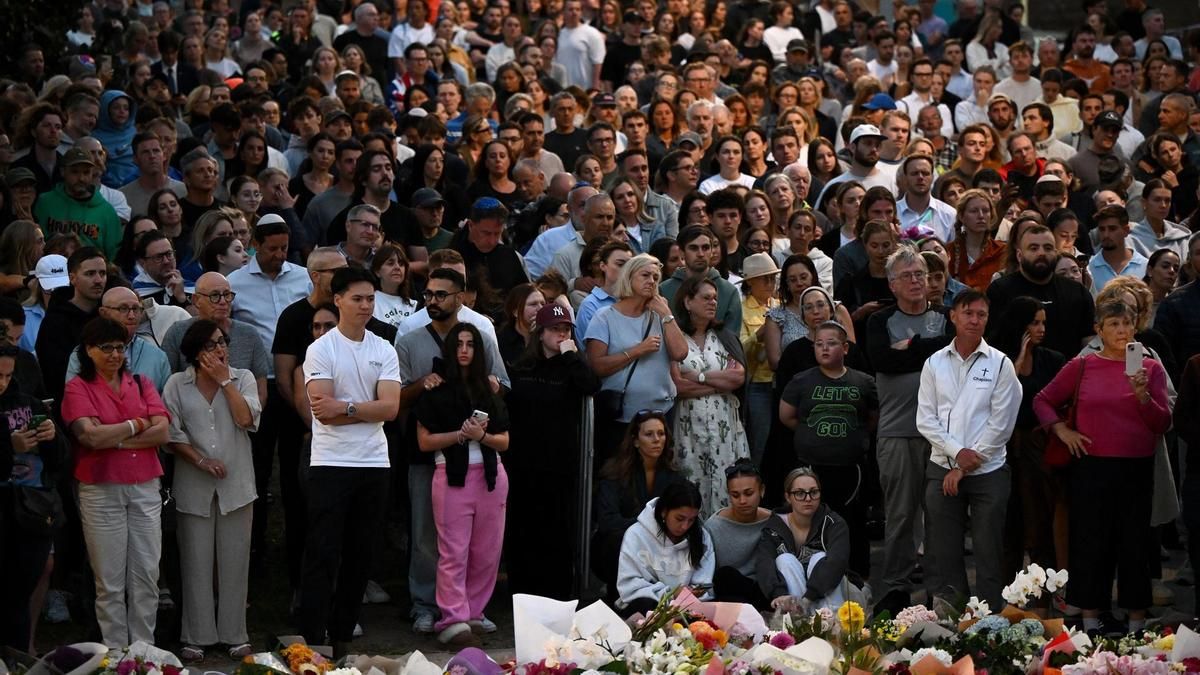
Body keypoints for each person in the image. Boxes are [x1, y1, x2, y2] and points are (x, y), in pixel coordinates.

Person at [1034, 300, 1171, 636]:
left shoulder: (1150, 368)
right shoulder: (1083, 366)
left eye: (1127, 324)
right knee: (1090, 542)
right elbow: (1042, 399)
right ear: (1098, 330)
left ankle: (1136, 621)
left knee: (1135, 544)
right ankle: (1091, 619)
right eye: (1113, 325)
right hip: (1091, 467)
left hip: (1136, 467)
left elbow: (1163, 422)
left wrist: (1142, 396)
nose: (1121, 331)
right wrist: (1062, 430)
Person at [395, 266, 511, 635]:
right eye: (428, 294)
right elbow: (396, 397)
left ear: (461, 297)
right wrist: (420, 386)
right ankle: (427, 607)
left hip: (481, 463)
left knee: (480, 544)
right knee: (429, 537)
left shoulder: (481, 337)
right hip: (428, 453)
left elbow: (502, 386)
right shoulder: (410, 338)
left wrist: (491, 388)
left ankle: (470, 609)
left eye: (440, 295)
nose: (432, 300)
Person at [299, 267, 401, 655]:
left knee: (361, 554)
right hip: (331, 463)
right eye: (357, 298)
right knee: (323, 551)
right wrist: (363, 408)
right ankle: (312, 638)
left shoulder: (383, 348)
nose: (365, 305)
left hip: (374, 463)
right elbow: (322, 411)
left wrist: (348, 406)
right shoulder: (321, 349)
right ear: (338, 299)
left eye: (370, 299)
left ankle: (342, 635)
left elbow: (390, 409)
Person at [61, 317, 171, 648]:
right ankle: (115, 653)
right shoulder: (77, 387)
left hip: (144, 485)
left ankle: (144, 652)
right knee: (109, 581)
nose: (114, 354)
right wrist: (139, 424)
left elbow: (163, 432)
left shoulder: (140, 382)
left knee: (146, 576)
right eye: (105, 348)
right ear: (88, 350)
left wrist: (118, 436)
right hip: (101, 488)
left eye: (120, 348)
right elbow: (90, 437)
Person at [916, 290, 1021, 608]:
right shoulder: (934, 362)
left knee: (989, 548)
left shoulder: (1001, 364)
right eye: (968, 313)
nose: (975, 320)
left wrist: (965, 465)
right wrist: (955, 455)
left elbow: (1001, 424)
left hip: (987, 470)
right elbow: (926, 418)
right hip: (941, 465)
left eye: (981, 314)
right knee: (943, 548)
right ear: (953, 316)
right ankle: (951, 615)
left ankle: (991, 617)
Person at [163, 319, 260, 661]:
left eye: (223, 342)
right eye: (210, 345)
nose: (219, 350)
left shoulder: (243, 378)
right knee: (195, 562)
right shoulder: (177, 384)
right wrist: (201, 461)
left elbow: (247, 420)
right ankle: (196, 635)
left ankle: (235, 634)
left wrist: (225, 382)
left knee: (235, 562)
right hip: (193, 485)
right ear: (193, 352)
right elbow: (171, 434)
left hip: (237, 487)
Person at [866, 247, 954, 615]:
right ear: (892, 284)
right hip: (897, 432)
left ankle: (941, 591)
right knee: (901, 515)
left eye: (921, 273)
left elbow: (953, 353)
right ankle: (895, 590)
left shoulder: (947, 319)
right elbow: (882, 359)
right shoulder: (879, 322)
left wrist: (914, 347)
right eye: (908, 275)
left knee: (939, 516)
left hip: (943, 436)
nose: (917, 280)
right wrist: (928, 353)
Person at [414, 322, 510, 647]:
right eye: (459, 344)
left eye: (471, 344)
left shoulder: (489, 390)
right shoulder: (436, 390)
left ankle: (474, 611)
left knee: (487, 552)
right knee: (454, 551)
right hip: (451, 476)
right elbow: (424, 441)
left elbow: (505, 440)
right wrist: (459, 436)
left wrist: (481, 436)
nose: (465, 350)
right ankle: (452, 618)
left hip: (491, 475)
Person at [505, 303, 601, 599]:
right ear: (540, 333)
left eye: (565, 329)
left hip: (560, 464)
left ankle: (557, 594)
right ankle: (522, 593)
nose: (560, 334)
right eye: (554, 329)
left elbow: (591, 385)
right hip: (522, 462)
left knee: (558, 531)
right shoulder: (523, 367)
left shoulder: (572, 367)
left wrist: (571, 356)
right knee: (523, 529)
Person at [779, 320, 878, 579]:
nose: (824, 349)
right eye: (819, 344)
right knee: (812, 521)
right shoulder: (801, 381)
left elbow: (871, 419)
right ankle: (812, 576)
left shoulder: (863, 382)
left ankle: (857, 577)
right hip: (813, 467)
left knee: (852, 523)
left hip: (851, 468)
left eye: (831, 343)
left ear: (845, 348)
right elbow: (787, 416)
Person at [986, 296, 1067, 577]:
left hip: (1039, 450)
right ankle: (1004, 594)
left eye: (1044, 322)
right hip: (1004, 449)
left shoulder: (1053, 360)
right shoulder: (996, 360)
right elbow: (991, 402)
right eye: (1034, 322)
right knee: (1009, 524)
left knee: (1040, 522)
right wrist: (1015, 366)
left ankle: (1046, 589)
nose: (1041, 328)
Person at [585, 253, 688, 462]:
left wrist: (667, 315)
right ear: (629, 277)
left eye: (656, 277)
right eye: (645, 275)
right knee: (619, 476)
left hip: (661, 416)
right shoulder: (604, 317)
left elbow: (680, 353)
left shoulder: (660, 316)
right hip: (622, 418)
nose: (651, 281)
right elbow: (597, 366)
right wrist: (637, 350)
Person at [670, 275, 750, 517]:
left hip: (725, 426)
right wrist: (719, 383)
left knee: (728, 487)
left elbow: (737, 378)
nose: (713, 302)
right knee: (692, 487)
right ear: (687, 302)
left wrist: (699, 377)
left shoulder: (724, 336)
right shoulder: (676, 339)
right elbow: (677, 386)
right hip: (689, 429)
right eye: (706, 298)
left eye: (715, 298)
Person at [0, 345, 62, 651]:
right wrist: (9, 446)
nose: (2, 382)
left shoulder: (29, 403)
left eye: (8, 375)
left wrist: (51, 438)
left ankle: (18, 660)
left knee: (19, 598)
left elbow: (60, 461)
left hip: (32, 512)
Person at [755, 467, 854, 611]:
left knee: (819, 557)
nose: (808, 499)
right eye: (800, 493)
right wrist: (778, 593)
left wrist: (809, 597)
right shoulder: (774, 527)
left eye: (813, 492)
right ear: (788, 497)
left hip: (830, 593)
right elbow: (764, 563)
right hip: (792, 599)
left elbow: (837, 563)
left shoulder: (833, 523)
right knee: (784, 559)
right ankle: (798, 621)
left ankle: (832, 624)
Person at [615, 479, 714, 616]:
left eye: (691, 520)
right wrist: (671, 594)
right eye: (679, 519)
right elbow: (629, 586)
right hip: (647, 605)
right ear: (664, 512)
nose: (685, 526)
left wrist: (691, 593)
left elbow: (704, 585)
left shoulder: (701, 537)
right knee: (647, 606)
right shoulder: (636, 534)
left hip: (688, 607)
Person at [36, 247, 106, 404]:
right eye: (90, 274)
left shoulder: (107, 314)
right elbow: (54, 373)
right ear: (72, 278)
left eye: (102, 273)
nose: (98, 280)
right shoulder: (55, 322)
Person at [707, 460, 773, 608]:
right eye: (735, 495)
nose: (742, 501)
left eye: (749, 493)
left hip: (763, 589)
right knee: (725, 575)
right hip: (730, 593)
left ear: (761, 490)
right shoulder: (714, 526)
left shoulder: (773, 522)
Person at [659, 226, 743, 332]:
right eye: (693, 248)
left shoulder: (729, 291)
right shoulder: (664, 290)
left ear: (712, 251)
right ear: (681, 252)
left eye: (705, 247)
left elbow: (732, 339)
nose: (700, 254)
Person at [370, 243, 418, 329]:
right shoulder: (370, 301)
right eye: (390, 263)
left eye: (401, 264)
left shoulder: (415, 305)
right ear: (377, 271)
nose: (397, 267)